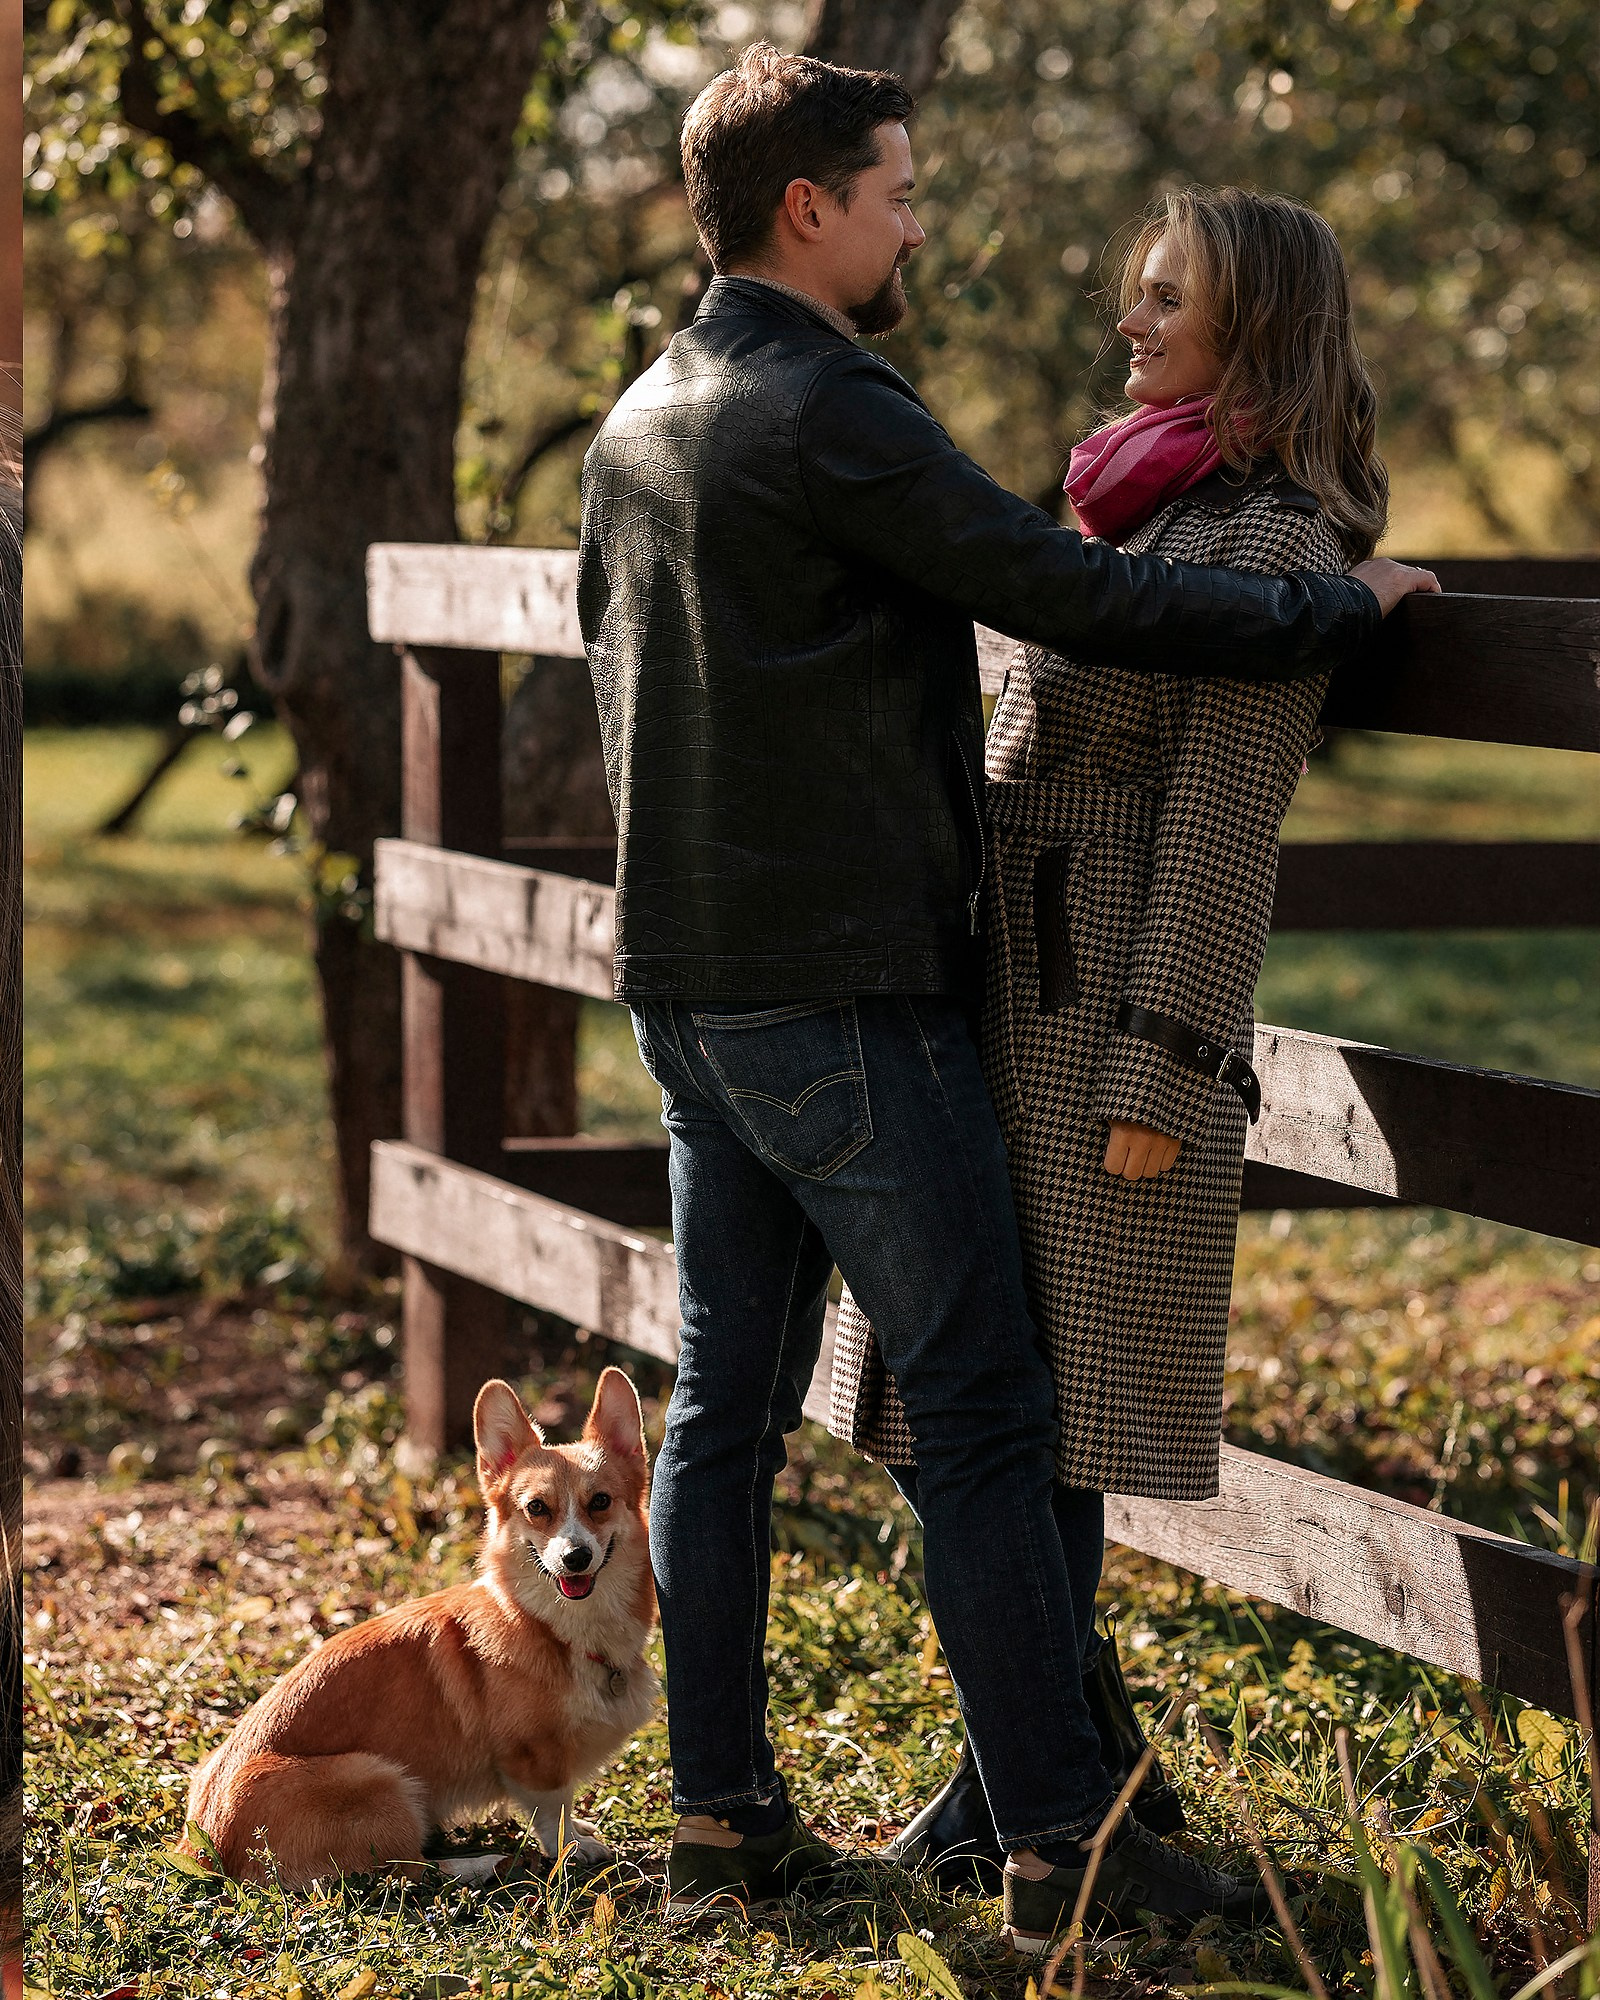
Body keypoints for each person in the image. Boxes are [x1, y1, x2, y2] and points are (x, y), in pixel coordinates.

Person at [576, 43, 1438, 1936]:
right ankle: (1067, 1840)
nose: (917, 221)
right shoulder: (831, 405)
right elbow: (1075, 600)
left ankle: (721, 1815)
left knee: (726, 1403)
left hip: (692, 988)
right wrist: (1333, 612)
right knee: (977, 1395)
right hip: (844, 993)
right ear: (810, 207)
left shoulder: (641, 413)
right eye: (895, 189)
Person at [830, 183, 1407, 1942]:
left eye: (1169, 298)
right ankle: (1033, 1781)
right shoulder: (1122, 492)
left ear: (1261, 330)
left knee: (1043, 1428)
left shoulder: (1275, 550)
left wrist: (1165, 1074)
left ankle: (1045, 1805)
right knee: (967, 1412)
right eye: (1135, 292)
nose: (1131, 322)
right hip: (987, 998)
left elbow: (1229, 830)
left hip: (1100, 1029)